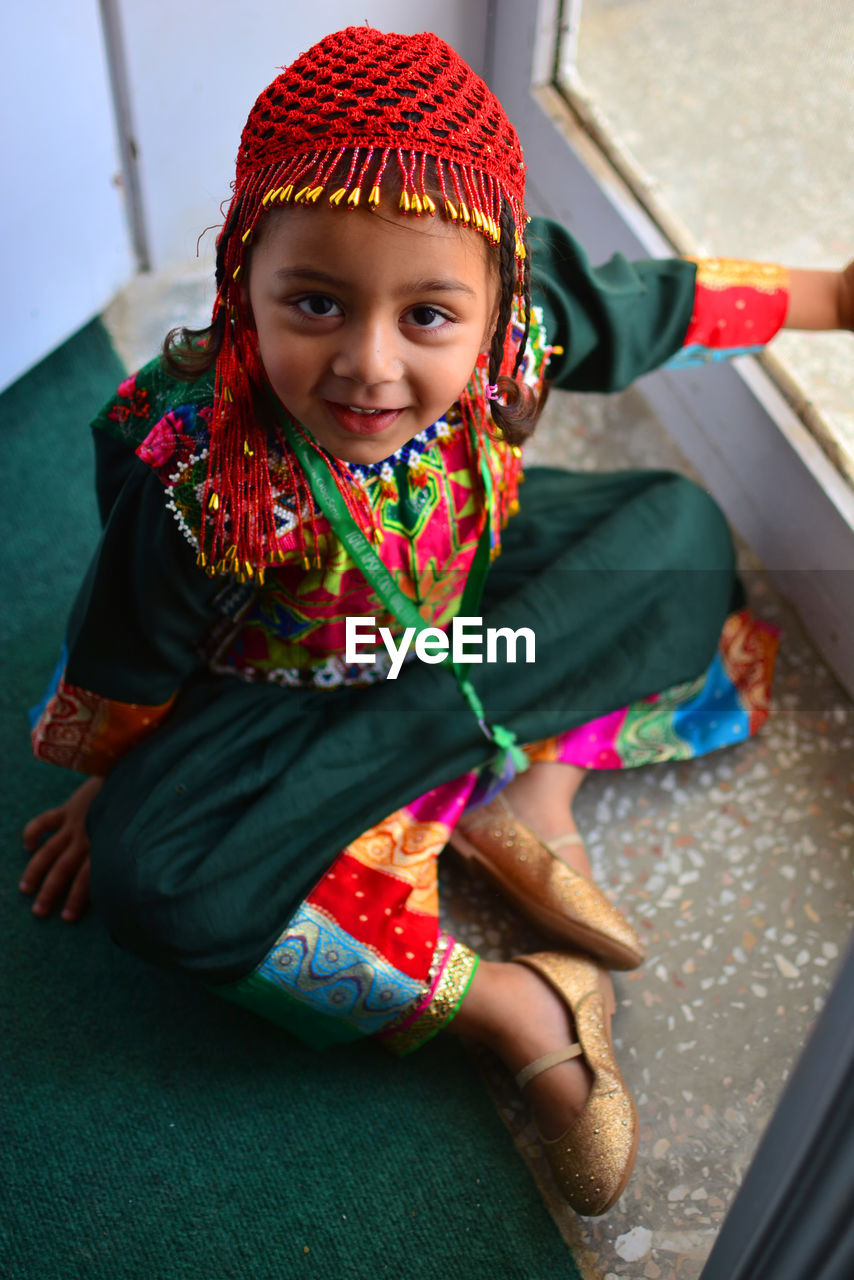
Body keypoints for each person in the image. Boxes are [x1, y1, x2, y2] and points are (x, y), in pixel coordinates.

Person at [19, 27, 854, 1216]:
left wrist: (830, 294)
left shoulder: (520, 328)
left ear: (503, 294)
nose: (368, 366)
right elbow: (126, 667)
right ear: (240, 277)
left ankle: (527, 790)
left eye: (427, 318)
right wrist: (120, 779)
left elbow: (655, 302)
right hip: (280, 679)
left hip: (453, 609)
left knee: (676, 533)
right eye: (314, 301)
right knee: (156, 879)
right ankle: (521, 999)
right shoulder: (201, 481)